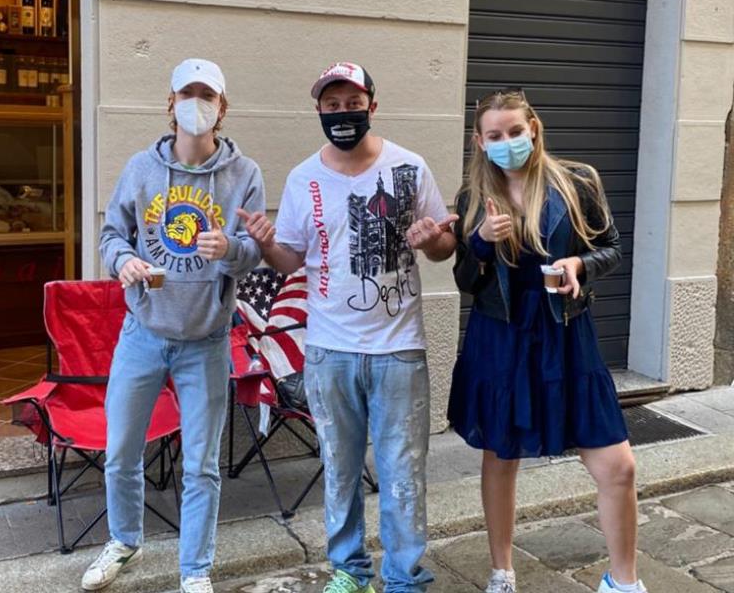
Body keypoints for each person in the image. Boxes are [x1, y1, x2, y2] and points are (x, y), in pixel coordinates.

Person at [237, 61, 457, 593]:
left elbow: (444, 245)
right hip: (328, 350)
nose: (342, 113)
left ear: (371, 107)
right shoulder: (303, 178)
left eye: (352, 104)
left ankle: (404, 578)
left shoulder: (410, 167)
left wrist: (433, 240)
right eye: (331, 105)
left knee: (403, 473)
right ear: (318, 110)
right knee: (339, 469)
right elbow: (291, 260)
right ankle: (350, 572)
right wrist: (266, 243)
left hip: (398, 349)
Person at [447, 88, 646, 593]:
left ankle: (623, 583)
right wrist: (479, 243)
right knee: (500, 455)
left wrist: (579, 263)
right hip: (501, 338)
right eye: (495, 135)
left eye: (516, 131)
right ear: (480, 141)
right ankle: (502, 571)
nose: (508, 141)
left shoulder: (578, 182)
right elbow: (466, 280)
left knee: (619, 467)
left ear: (533, 128)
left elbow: (611, 248)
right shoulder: (473, 198)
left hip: (565, 334)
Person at [84, 58, 264, 593]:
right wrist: (123, 262)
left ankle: (195, 571)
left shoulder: (244, 174)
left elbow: (254, 251)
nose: (197, 103)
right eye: (188, 93)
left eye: (207, 94)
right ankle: (124, 541)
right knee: (121, 452)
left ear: (222, 108)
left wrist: (229, 248)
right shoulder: (142, 168)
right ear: (171, 102)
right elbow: (111, 234)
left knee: (201, 466)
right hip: (143, 333)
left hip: (206, 340)